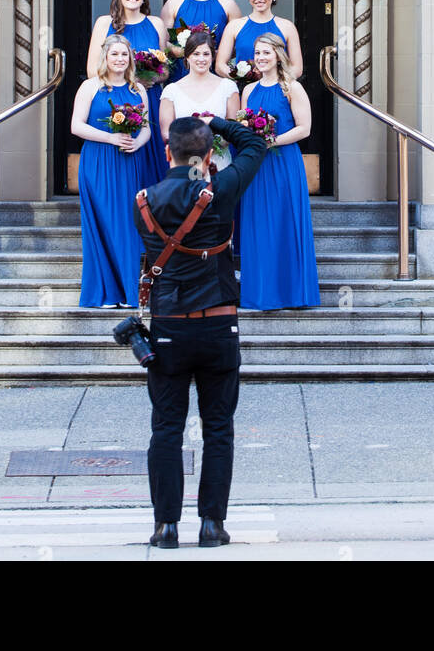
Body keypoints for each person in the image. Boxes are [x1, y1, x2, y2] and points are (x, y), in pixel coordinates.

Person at [133, 112, 267, 550]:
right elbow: (255, 146)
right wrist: (223, 122)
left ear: (166, 151)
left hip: (169, 326)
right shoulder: (221, 188)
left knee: (166, 429)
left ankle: (165, 527)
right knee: (218, 428)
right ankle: (212, 524)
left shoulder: (145, 201)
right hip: (218, 323)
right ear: (209, 156)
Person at [237, 33, 320, 311]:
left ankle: (290, 293)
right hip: (256, 165)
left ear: (278, 55)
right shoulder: (248, 90)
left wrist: (273, 140)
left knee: (284, 222)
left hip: (283, 161)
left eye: (266, 53)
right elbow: (243, 126)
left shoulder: (291, 87)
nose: (261, 57)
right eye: (257, 53)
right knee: (258, 225)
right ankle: (261, 293)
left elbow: (304, 128)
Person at [71, 35, 151, 308]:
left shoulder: (138, 89)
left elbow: (147, 128)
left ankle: (129, 292)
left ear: (130, 59)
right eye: (114, 54)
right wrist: (110, 138)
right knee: (102, 223)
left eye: (124, 55)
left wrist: (137, 142)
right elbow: (76, 126)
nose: (119, 59)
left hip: (128, 162)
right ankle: (106, 292)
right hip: (98, 161)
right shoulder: (90, 87)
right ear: (105, 57)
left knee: (127, 226)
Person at [86, 0, 169, 183]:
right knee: (120, 162)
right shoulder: (104, 23)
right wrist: (125, 81)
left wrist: (152, 78)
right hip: (114, 100)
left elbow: (166, 70)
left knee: (151, 160)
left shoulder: (156, 23)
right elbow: (92, 71)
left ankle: (150, 211)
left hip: (147, 100)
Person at [159, 30, 240, 172]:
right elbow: (167, 132)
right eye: (196, 54)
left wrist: (213, 144)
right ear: (187, 56)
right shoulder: (171, 91)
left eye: (206, 54)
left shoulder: (228, 87)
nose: (201, 59)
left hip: (219, 162)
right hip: (186, 162)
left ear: (212, 57)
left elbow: (233, 127)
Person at [160, 0, 241, 83]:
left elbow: (238, 44)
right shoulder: (173, 3)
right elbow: (162, 43)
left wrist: (215, 55)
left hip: (215, 77)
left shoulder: (228, 5)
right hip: (181, 76)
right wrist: (187, 53)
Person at [215, 0, 303, 81]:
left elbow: (297, 68)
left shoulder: (288, 27)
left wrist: (272, 80)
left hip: (277, 90)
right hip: (243, 91)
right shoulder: (234, 26)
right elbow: (219, 66)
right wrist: (241, 77)